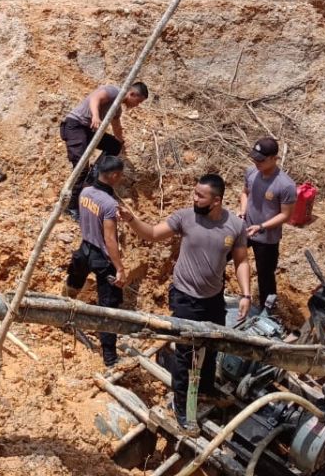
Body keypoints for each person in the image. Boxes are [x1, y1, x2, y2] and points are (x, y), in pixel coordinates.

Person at [119, 174, 251, 429]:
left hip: (213, 299)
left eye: (200, 195)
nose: (194, 198)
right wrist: (132, 220)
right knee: (186, 354)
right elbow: (154, 233)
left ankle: (206, 388)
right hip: (185, 298)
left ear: (216, 201)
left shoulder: (235, 226)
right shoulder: (185, 217)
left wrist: (246, 295)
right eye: (194, 193)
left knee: (213, 344)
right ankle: (181, 406)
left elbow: (242, 261)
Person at [63, 155, 130, 369]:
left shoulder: (85, 192)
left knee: (74, 281)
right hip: (102, 257)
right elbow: (110, 239)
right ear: (114, 175)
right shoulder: (109, 203)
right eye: (120, 175)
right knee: (108, 307)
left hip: (84, 248)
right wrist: (119, 267)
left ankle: (64, 313)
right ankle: (110, 357)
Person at [59, 82, 149, 220]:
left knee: (114, 146)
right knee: (81, 167)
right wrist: (95, 116)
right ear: (132, 94)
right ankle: (71, 207)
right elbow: (95, 98)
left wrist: (121, 143)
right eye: (138, 101)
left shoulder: (117, 108)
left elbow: (117, 126)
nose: (137, 105)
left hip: (89, 130)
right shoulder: (114, 91)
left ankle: (94, 176)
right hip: (76, 126)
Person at [240, 137, 297, 312]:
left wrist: (262, 226)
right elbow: (244, 193)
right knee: (222, 256)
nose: (257, 163)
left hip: (267, 238)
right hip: (246, 229)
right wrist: (243, 212)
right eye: (255, 159)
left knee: (265, 276)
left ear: (274, 158)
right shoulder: (251, 173)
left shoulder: (285, 185)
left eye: (261, 160)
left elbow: (285, 215)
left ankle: (268, 312)